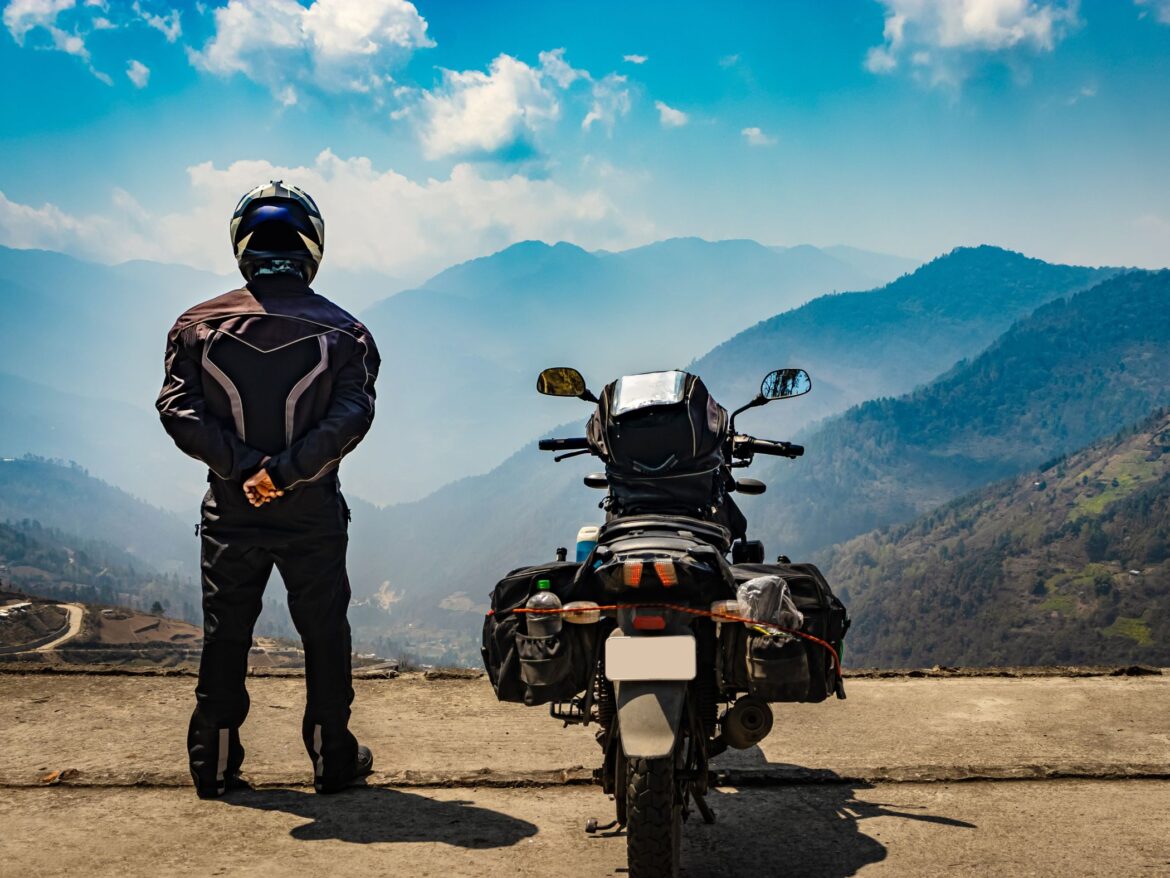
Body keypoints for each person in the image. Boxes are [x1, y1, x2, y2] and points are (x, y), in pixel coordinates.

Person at [156, 181, 381, 798]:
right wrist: (282, 473)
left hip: (230, 510)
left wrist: (247, 469)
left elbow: (178, 411)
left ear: (241, 245)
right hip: (311, 511)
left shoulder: (196, 325)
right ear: (312, 246)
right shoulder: (346, 333)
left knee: (225, 632)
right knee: (325, 633)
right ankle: (333, 758)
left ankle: (214, 762)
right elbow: (350, 418)